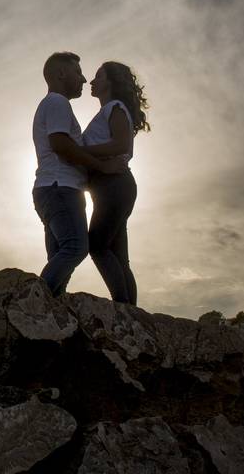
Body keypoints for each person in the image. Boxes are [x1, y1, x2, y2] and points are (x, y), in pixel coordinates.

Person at [32, 52, 126, 296]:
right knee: (75, 248)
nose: (84, 79)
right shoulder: (57, 103)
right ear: (61, 73)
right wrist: (103, 166)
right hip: (60, 188)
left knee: (60, 260)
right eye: (78, 72)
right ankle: (32, 304)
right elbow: (61, 146)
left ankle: (44, 317)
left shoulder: (54, 104)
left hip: (51, 189)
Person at [80, 61, 150, 305]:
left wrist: (81, 149)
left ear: (110, 81)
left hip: (113, 185)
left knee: (97, 245)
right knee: (118, 256)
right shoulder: (109, 110)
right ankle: (131, 313)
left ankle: (122, 309)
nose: (92, 81)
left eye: (98, 76)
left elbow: (122, 145)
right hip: (113, 187)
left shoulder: (115, 107)